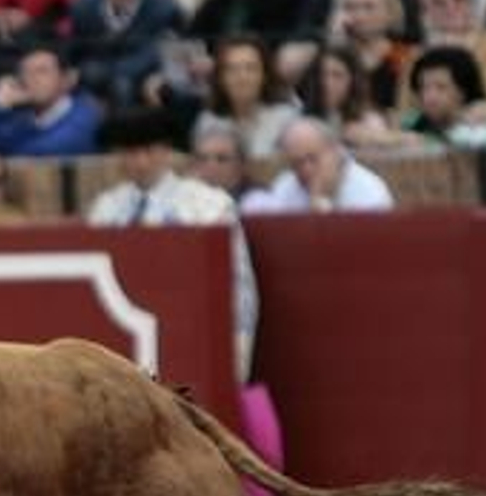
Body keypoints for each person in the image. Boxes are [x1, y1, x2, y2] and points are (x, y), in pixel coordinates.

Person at [87, 107, 261, 385]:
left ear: (166, 150)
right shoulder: (106, 210)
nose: (141, 161)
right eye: (131, 152)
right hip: (122, 354)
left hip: (189, 340)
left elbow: (240, 292)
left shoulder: (208, 206)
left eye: (149, 150)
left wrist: (235, 362)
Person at [0, 41, 103, 156]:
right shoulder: (18, 122)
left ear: (68, 79)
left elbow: (50, 151)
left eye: (41, 71)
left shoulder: (84, 115)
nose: (31, 79)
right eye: (25, 72)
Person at [244, 115, 396, 211]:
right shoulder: (286, 185)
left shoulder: (369, 191)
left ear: (335, 152)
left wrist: (322, 209)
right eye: (297, 163)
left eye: (313, 159)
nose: (306, 169)